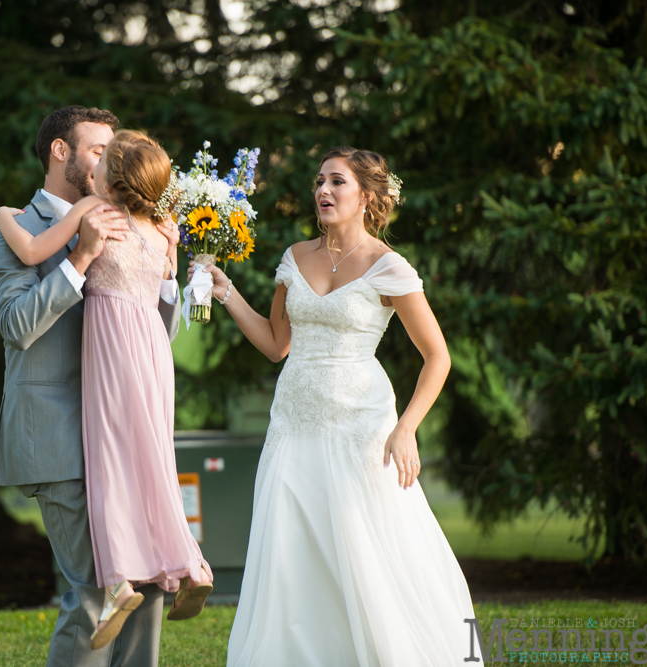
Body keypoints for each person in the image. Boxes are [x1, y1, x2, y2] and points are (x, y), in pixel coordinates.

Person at [193, 147, 482, 666]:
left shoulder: (388, 266)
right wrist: (227, 292)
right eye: (319, 182)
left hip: (360, 426)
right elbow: (278, 344)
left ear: (366, 197)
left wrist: (407, 429)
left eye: (337, 182)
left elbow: (437, 358)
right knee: (292, 551)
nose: (323, 191)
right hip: (293, 423)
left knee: (363, 549)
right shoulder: (296, 256)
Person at [0, 129, 213, 651]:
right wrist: (81, 258)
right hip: (60, 430)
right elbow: (18, 326)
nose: (103, 158)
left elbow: (161, 322)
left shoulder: (138, 220)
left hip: (125, 412)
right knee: (95, 594)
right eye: (97, 147)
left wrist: (168, 279)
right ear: (61, 151)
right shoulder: (18, 227)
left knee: (151, 584)